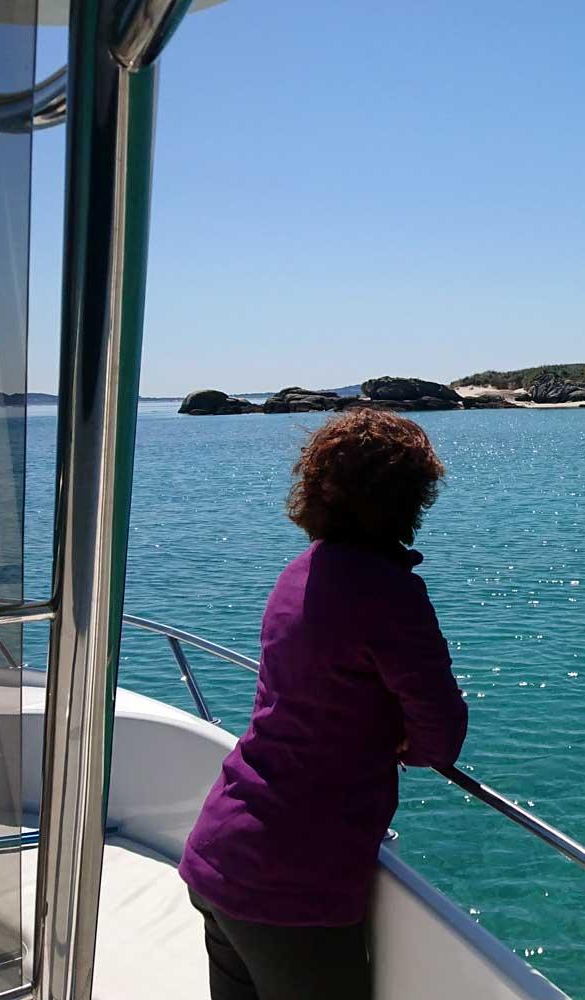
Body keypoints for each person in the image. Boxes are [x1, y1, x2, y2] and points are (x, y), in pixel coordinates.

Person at [179, 409, 468, 1000]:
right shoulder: (388, 590)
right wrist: (404, 742)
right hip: (288, 884)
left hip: (220, 852)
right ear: (410, 495)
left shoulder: (300, 571)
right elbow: (439, 735)